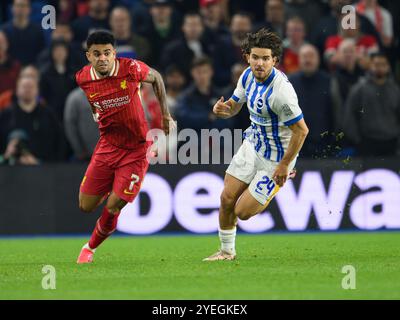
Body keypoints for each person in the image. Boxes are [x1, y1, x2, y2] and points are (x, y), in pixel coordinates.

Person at [203, 28, 308, 261]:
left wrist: (284, 165)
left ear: (275, 60)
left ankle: (286, 175)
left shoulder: (282, 93)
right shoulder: (247, 76)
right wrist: (222, 109)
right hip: (253, 144)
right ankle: (226, 252)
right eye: (255, 57)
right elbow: (235, 105)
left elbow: (301, 131)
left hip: (276, 159)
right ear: (247, 57)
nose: (260, 63)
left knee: (243, 212)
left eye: (265, 58)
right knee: (226, 199)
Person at [75, 30, 174, 264]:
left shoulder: (130, 68)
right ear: (89, 56)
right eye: (97, 54)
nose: (102, 58)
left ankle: (89, 248)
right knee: (85, 205)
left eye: (107, 53)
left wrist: (166, 115)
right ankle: (114, 185)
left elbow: (157, 77)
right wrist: (95, 113)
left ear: (114, 54)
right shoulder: (82, 78)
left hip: (137, 150)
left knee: (114, 204)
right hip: (108, 146)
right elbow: (92, 99)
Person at [343, 52, 400, 157]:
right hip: (367, 142)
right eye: (376, 64)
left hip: (392, 143)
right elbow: (349, 116)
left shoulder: (395, 90)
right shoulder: (359, 89)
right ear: (370, 66)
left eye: (383, 65)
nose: (379, 68)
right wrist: (358, 140)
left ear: (388, 67)